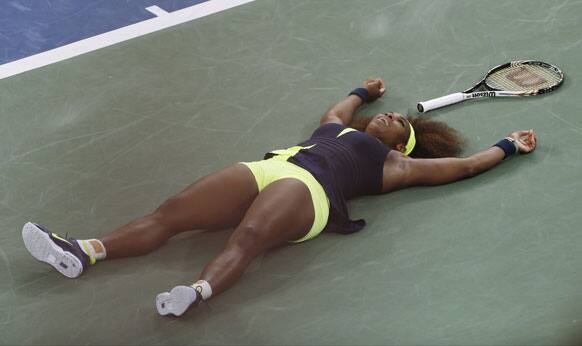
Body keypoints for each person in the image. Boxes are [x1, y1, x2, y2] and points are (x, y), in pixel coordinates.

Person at [21, 77, 537, 317]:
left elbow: (465, 165)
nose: (390, 116)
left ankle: (196, 293)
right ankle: (83, 251)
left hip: (307, 193)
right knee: (174, 212)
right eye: (389, 112)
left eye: (398, 121)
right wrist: (363, 91)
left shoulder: (396, 166)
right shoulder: (336, 131)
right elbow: (337, 111)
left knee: (249, 237)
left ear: (401, 143)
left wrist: (507, 146)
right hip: (272, 168)